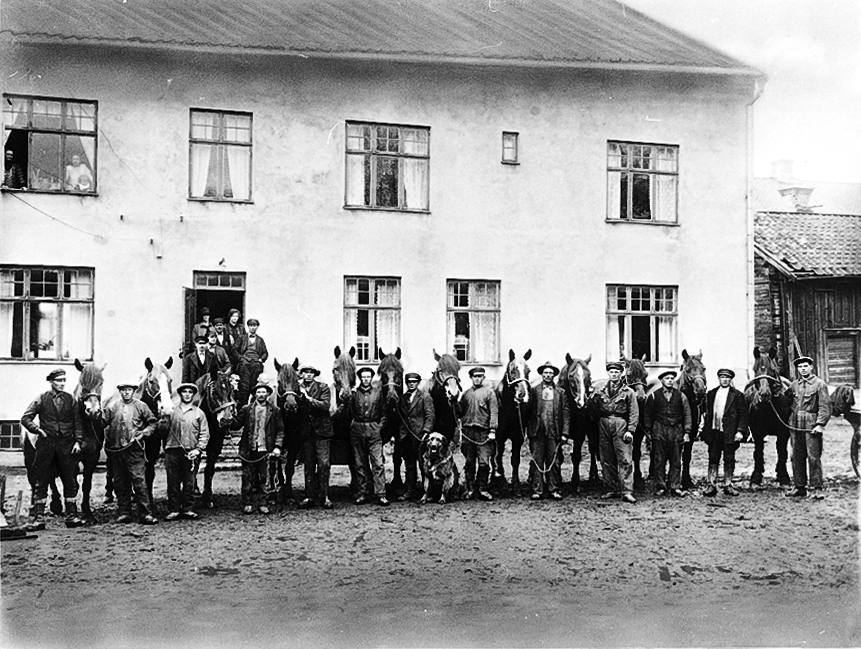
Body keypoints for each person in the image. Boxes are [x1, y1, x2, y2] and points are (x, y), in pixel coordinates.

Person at [20, 369, 85, 527]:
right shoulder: (41, 399)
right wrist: (37, 430)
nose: (62, 383)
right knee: (41, 481)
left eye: (64, 380)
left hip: (66, 446)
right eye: (58, 380)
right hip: (46, 445)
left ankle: (71, 516)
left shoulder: (71, 400)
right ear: (51, 382)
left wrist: (78, 441)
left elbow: (78, 422)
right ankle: (39, 518)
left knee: (70, 480)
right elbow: (25, 418)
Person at [102, 379, 159, 524]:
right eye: (123, 390)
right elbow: (102, 422)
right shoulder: (112, 407)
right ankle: (124, 512)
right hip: (116, 450)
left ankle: (145, 513)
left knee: (139, 481)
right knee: (120, 482)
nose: (126, 392)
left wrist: (144, 433)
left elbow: (152, 422)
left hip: (135, 450)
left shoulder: (141, 406)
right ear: (120, 392)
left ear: (133, 391)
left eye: (129, 390)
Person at [785, 356, 831, 498]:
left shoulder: (819, 384)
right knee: (796, 456)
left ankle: (816, 488)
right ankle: (799, 487)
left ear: (811, 367)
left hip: (811, 422)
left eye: (805, 366)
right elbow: (786, 401)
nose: (803, 369)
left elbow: (825, 406)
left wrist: (820, 424)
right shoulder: (794, 385)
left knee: (813, 456)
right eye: (800, 367)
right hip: (795, 423)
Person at [594, 361, 639, 503]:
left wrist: (630, 430)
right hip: (604, 423)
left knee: (625, 458)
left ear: (621, 374)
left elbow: (634, 412)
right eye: (611, 372)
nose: (614, 374)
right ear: (608, 373)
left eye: (617, 372)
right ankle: (612, 489)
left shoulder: (628, 392)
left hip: (621, 424)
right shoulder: (600, 391)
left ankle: (627, 491)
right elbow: (593, 409)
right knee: (606, 459)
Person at [163, 383, 209, 520]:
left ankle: (188, 508)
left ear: (193, 395)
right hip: (172, 451)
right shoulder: (171, 411)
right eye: (184, 392)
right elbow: (162, 432)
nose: (187, 394)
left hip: (191, 452)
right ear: (180, 394)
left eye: (190, 392)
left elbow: (204, 434)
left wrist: (198, 449)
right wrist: (163, 420)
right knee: (173, 482)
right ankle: (174, 509)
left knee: (189, 482)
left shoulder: (199, 413)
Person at [643, 369, 692, 497]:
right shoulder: (654, 396)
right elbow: (647, 414)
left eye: (672, 378)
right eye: (667, 378)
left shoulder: (681, 396)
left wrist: (687, 432)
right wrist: (648, 431)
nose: (670, 381)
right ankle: (660, 486)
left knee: (676, 460)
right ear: (661, 381)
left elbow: (687, 414)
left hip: (676, 430)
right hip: (659, 430)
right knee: (659, 460)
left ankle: (675, 486)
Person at [237, 382, 283, 514]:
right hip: (249, 449)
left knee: (264, 478)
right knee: (247, 477)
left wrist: (277, 446)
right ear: (254, 394)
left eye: (263, 392)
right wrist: (227, 419)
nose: (261, 394)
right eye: (258, 392)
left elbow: (280, 430)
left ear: (268, 394)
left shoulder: (275, 410)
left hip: (265, 449)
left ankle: (263, 503)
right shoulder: (246, 409)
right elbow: (236, 424)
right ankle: (247, 502)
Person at [526, 361, 570, 500]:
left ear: (554, 375)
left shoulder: (561, 393)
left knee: (554, 462)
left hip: (554, 432)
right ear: (541, 374)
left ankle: (553, 489)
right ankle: (537, 490)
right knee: (537, 461)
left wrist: (565, 433)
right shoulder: (534, 391)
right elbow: (527, 411)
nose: (548, 375)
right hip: (537, 432)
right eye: (545, 373)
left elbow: (566, 413)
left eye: (550, 373)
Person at [700, 368, 747, 497]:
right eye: (722, 377)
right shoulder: (711, 394)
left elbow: (743, 415)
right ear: (719, 379)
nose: (725, 380)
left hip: (730, 432)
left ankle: (728, 484)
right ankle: (711, 484)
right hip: (715, 431)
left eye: (727, 378)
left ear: (730, 379)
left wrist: (740, 431)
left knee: (729, 458)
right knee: (713, 457)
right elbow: (706, 412)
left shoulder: (737, 395)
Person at [349, 367, 390, 506]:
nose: (366, 379)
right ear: (360, 378)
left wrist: (379, 427)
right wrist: (353, 425)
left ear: (371, 378)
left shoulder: (378, 393)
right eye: (363, 377)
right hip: (358, 430)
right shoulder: (354, 394)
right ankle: (363, 493)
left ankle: (381, 494)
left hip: (373, 430)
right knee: (359, 463)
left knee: (378, 463)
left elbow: (384, 413)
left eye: (368, 377)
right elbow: (349, 412)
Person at [297, 364, 335, 509]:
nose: (308, 375)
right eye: (305, 372)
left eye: (311, 373)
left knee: (324, 464)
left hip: (322, 432)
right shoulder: (297, 388)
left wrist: (308, 398)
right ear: (301, 375)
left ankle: (324, 496)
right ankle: (309, 496)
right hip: (306, 433)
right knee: (309, 465)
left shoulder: (322, 387)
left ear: (314, 375)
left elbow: (325, 405)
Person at [458, 366, 498, 501]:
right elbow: (460, 412)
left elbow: (494, 412)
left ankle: (483, 489)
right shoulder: (466, 394)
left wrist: (492, 430)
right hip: (468, 432)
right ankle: (470, 489)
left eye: (480, 376)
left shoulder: (489, 393)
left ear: (483, 378)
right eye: (475, 376)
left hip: (483, 433)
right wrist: (453, 401)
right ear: (471, 378)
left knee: (484, 463)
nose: (477, 379)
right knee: (469, 462)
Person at [396, 372, 435, 501]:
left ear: (418, 383)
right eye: (409, 382)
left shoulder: (425, 396)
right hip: (406, 436)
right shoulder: (402, 398)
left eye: (414, 382)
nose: (411, 384)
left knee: (423, 465)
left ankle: (427, 491)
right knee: (409, 465)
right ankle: (409, 490)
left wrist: (426, 431)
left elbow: (430, 416)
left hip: (420, 436)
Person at [235, 318, 268, 405]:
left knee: (254, 386)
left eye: (254, 326)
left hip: (256, 364)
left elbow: (265, 352)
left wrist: (261, 359)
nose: (253, 328)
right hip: (245, 363)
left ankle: (253, 406)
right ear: (248, 327)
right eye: (251, 326)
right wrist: (240, 358)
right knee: (244, 386)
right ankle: (243, 406)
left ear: (257, 327)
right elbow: (234, 350)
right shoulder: (242, 338)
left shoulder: (260, 340)